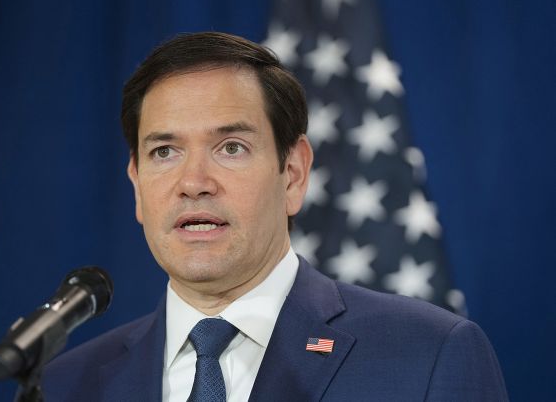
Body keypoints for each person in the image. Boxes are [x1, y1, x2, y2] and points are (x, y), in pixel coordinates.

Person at [42, 32, 508, 401]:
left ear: (293, 174)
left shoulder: (427, 355)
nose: (194, 182)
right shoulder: (67, 385)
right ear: (136, 184)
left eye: (231, 148)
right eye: (164, 151)